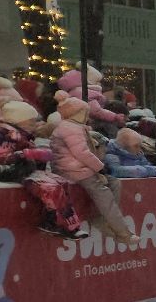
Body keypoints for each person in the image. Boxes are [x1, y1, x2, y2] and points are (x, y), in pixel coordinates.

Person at [49, 97, 139, 245]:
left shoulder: (75, 127)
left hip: (81, 168)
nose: (87, 116)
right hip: (73, 170)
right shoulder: (70, 128)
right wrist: (100, 167)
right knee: (103, 193)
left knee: (114, 183)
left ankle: (104, 219)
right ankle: (122, 232)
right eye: (84, 112)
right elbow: (82, 153)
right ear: (76, 113)